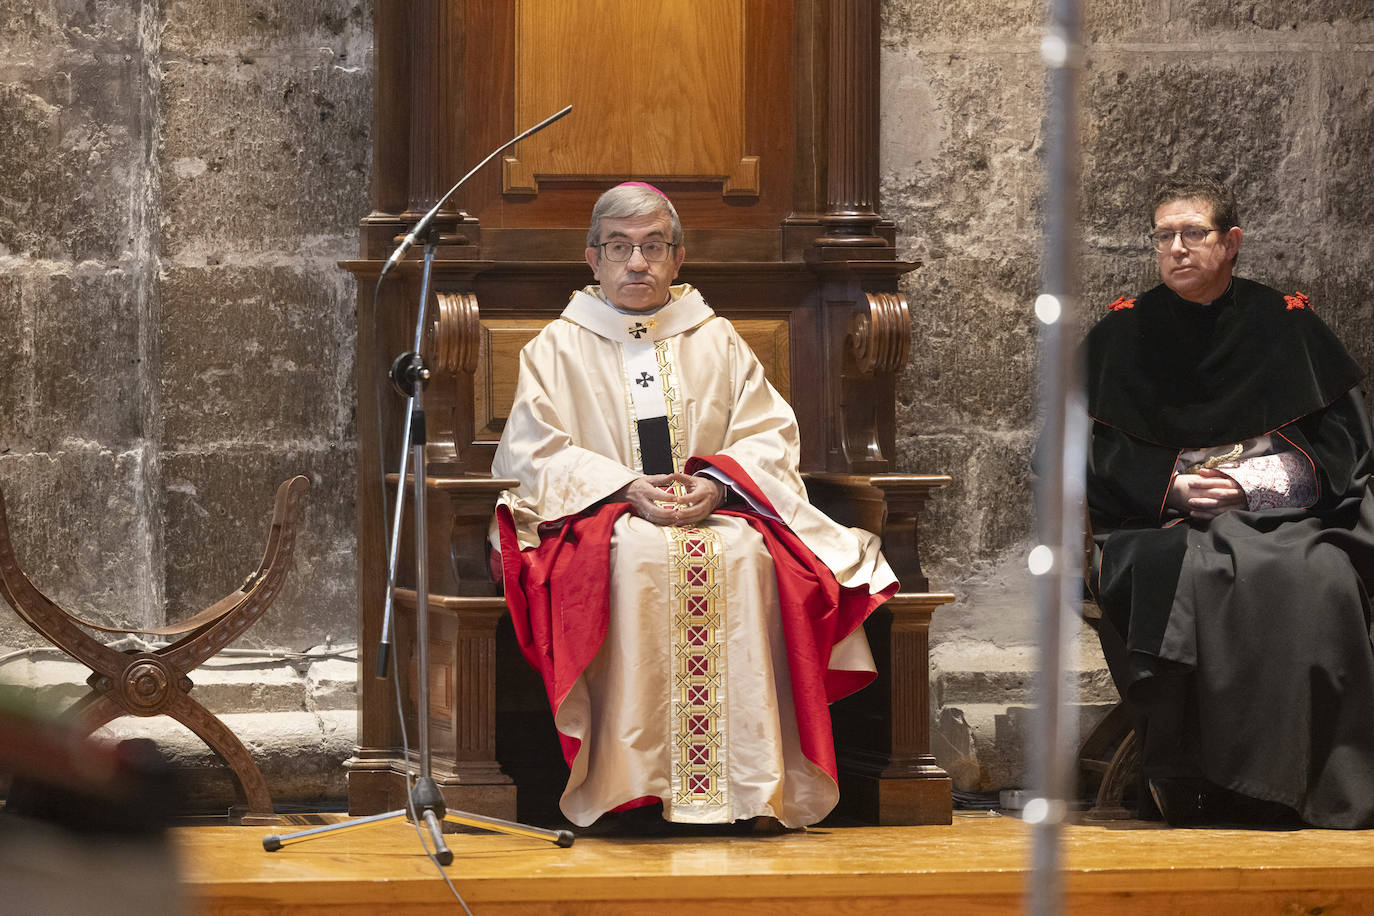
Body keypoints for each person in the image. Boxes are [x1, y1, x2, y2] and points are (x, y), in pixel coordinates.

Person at [489, 182, 897, 830]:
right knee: (634, 555)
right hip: (610, 518)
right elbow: (531, 451)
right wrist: (624, 488)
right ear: (592, 258)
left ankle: (749, 789)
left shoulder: (718, 342)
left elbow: (769, 436)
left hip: (717, 512)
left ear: (678, 258)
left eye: (653, 247)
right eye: (620, 247)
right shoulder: (556, 348)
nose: (637, 263)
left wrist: (721, 484)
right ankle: (634, 787)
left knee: (746, 552)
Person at [1082, 173, 1374, 827]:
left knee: (1320, 577)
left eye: (1194, 233)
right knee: (1197, 573)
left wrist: (1251, 486)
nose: (1177, 248)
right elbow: (1074, 454)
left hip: (1289, 512)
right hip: (1157, 520)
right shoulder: (1122, 336)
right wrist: (1173, 484)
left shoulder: (1287, 325)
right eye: (1165, 236)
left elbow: (1343, 451)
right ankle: (1199, 778)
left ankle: (1305, 778)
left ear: (1231, 241)